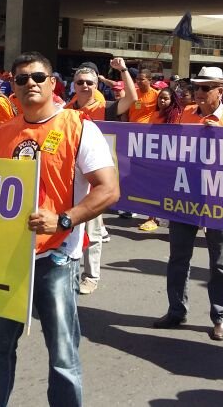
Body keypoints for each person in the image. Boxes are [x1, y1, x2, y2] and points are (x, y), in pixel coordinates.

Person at [0, 51, 119, 407]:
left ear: (53, 83)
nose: (30, 84)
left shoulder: (80, 127)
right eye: (22, 79)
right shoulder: (3, 132)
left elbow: (108, 188)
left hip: (56, 257)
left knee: (62, 354)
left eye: (38, 77)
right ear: (12, 85)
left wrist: (64, 219)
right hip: (6, 258)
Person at [154, 66, 223, 343]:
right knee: (178, 257)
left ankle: (221, 317)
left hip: (220, 198)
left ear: (221, 90)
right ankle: (176, 310)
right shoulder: (185, 115)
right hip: (186, 196)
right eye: (197, 88)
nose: (200, 93)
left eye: (206, 88)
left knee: (220, 261)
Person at [64, 58, 135, 295]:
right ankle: (69, 272)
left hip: (95, 177)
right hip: (69, 176)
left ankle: (91, 276)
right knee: (69, 225)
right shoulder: (66, 110)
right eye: (80, 82)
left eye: (89, 83)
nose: (85, 86)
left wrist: (123, 70)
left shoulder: (104, 108)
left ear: (96, 85)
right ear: (73, 85)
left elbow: (131, 99)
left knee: (92, 231)